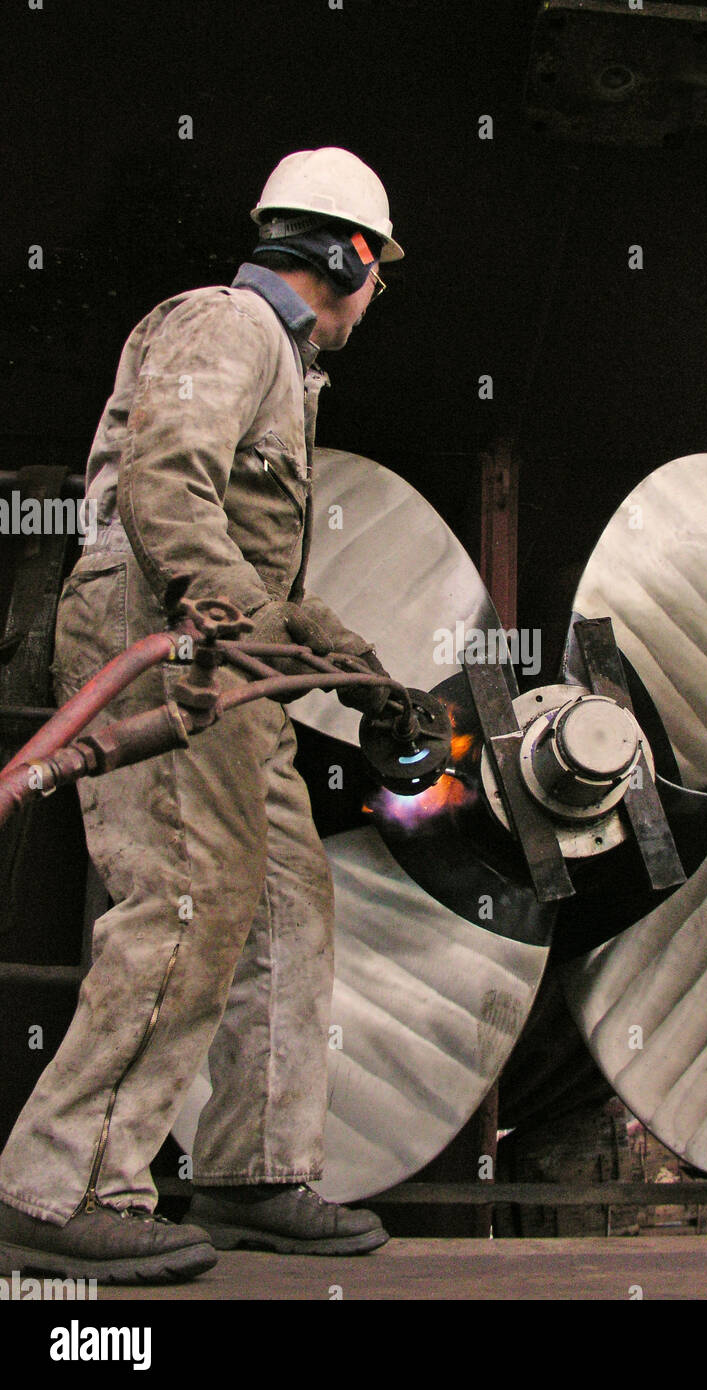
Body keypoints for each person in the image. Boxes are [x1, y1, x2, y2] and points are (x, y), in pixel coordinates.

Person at [0, 148, 403, 1282]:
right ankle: (62, 1182)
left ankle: (254, 1167)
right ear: (351, 255)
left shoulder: (281, 363)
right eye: (384, 273)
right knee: (190, 889)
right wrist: (223, 604)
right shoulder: (229, 325)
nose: (380, 298)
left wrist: (317, 638)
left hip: (222, 649)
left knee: (280, 889)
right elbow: (167, 480)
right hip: (163, 639)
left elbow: (232, 536)